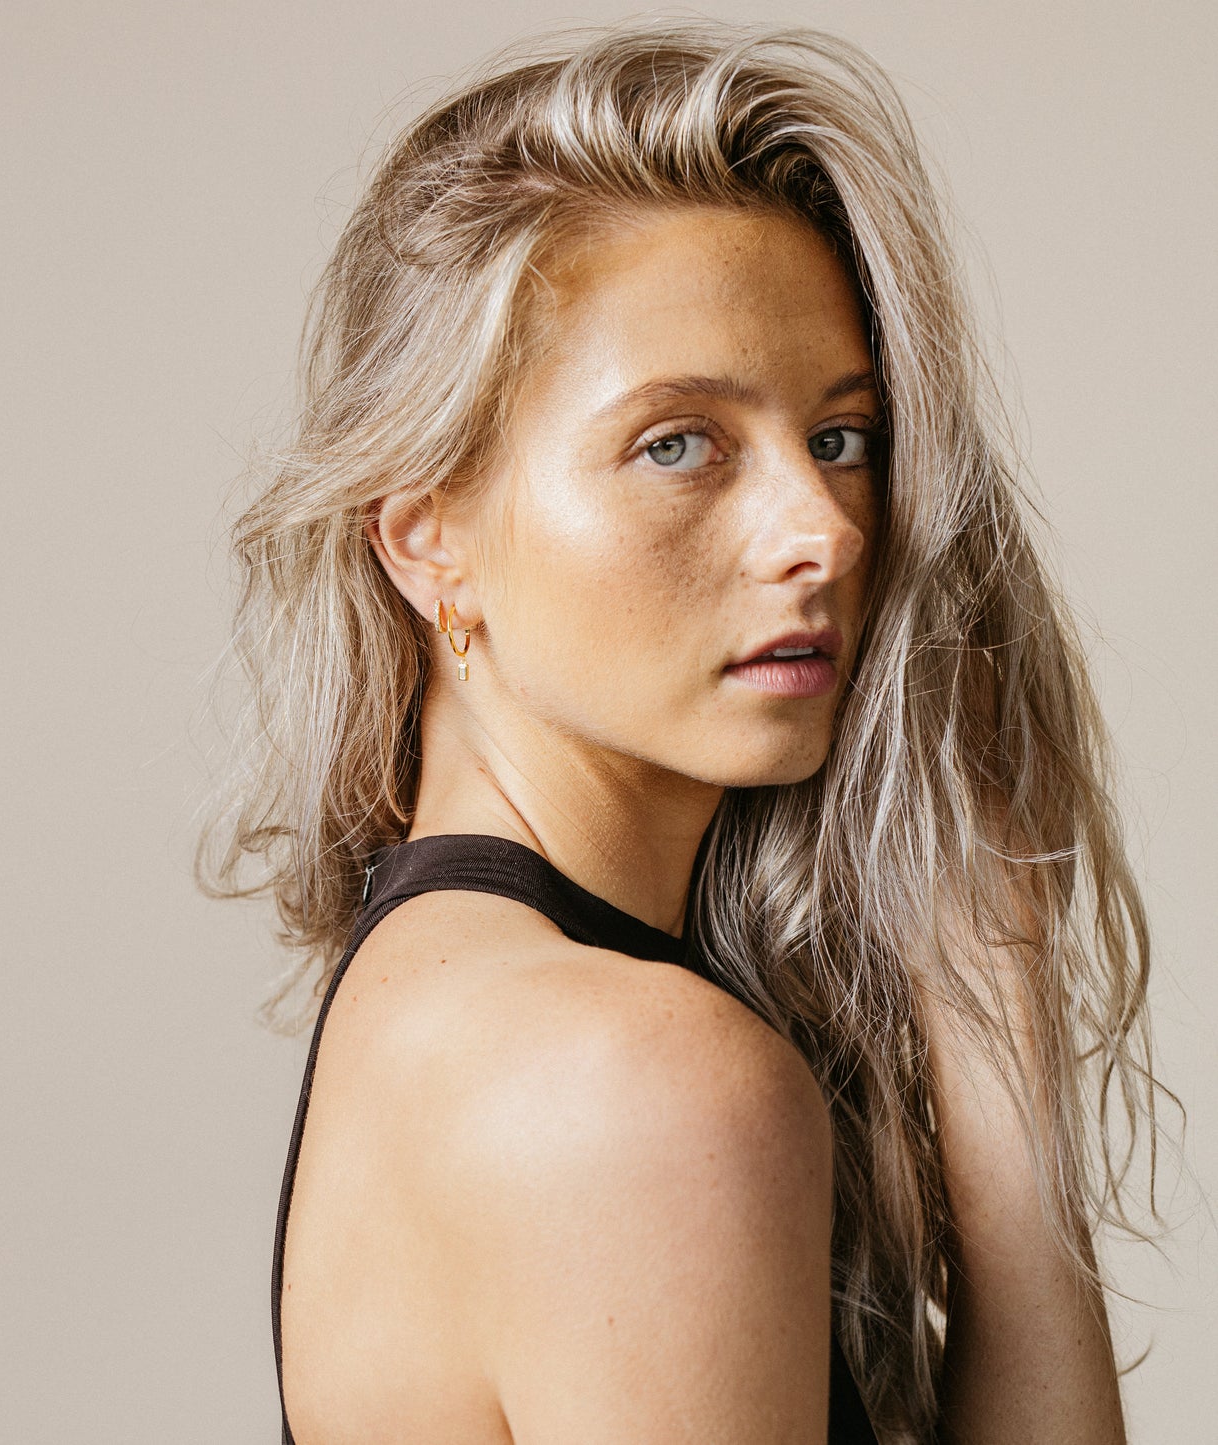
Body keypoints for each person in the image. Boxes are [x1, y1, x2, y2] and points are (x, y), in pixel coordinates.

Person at [196, 19, 1159, 1443]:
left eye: (839, 439)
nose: (822, 531)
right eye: (678, 444)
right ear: (427, 537)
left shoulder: (446, 991)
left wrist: (988, 999)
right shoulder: (634, 1082)